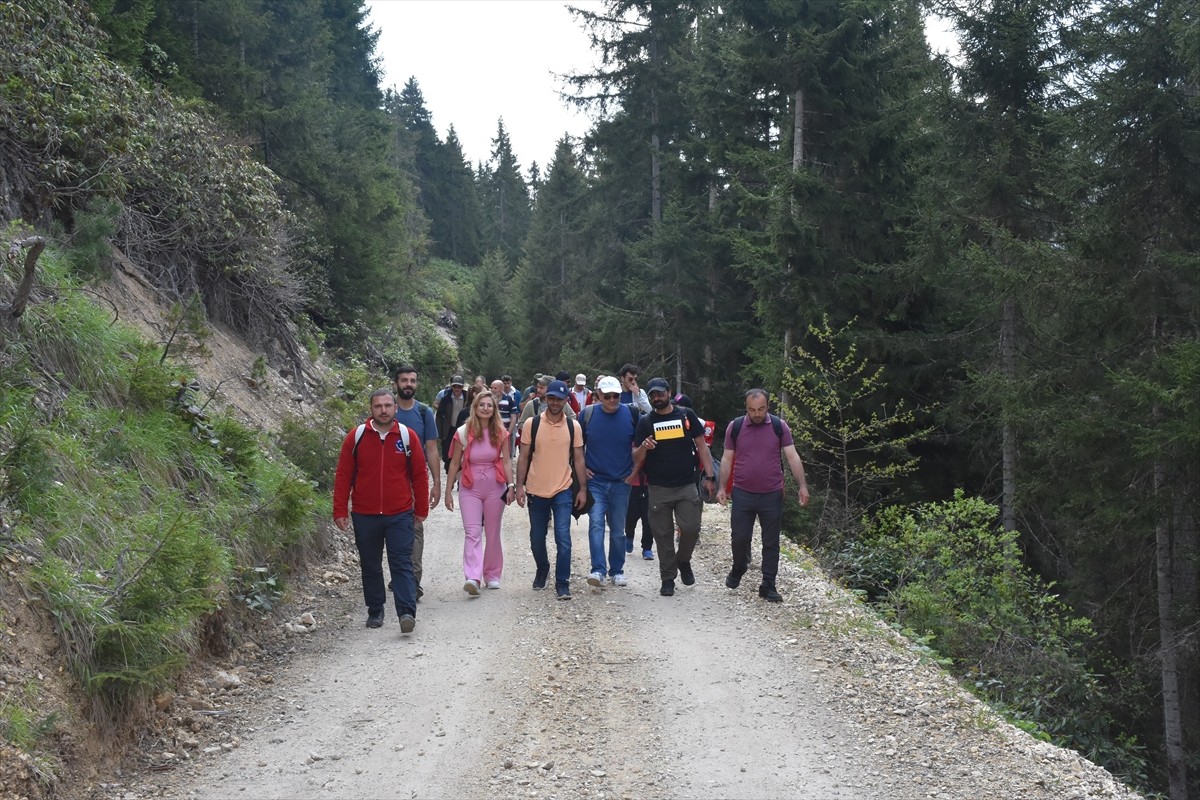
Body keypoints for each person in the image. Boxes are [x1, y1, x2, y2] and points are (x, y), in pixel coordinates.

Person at [332, 389, 430, 633]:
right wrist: (340, 510)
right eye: (378, 406)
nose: (383, 410)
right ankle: (375, 609)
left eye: (388, 405)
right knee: (371, 564)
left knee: (401, 563)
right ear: (371, 409)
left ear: (395, 408)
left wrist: (422, 508)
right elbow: (344, 476)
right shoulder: (357, 437)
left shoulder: (407, 437)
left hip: (400, 513)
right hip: (365, 514)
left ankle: (406, 612)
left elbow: (419, 474)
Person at [716, 388, 810, 602]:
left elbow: (793, 457)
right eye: (752, 410)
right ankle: (739, 566)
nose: (757, 414)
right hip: (742, 493)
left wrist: (802, 485)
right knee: (739, 537)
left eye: (761, 409)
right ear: (746, 408)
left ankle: (768, 584)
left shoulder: (779, 427)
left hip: (771, 493)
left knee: (771, 541)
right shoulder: (736, 427)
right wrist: (722, 487)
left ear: (768, 407)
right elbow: (727, 459)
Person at [632, 378, 716, 597]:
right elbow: (635, 457)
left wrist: (710, 476)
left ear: (669, 393)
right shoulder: (645, 422)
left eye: (660, 393)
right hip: (658, 487)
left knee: (691, 528)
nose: (656, 398)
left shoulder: (685, 416)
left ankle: (683, 560)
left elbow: (702, 446)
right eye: (652, 395)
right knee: (663, 535)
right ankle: (667, 578)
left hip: (686, 485)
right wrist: (644, 446)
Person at [514, 380, 587, 600]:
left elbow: (579, 459)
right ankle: (542, 569)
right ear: (545, 399)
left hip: (563, 490)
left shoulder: (573, 427)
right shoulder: (532, 424)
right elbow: (524, 457)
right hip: (536, 489)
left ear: (566, 400)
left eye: (559, 399)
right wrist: (519, 486)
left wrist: (582, 488)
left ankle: (562, 582)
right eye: (551, 398)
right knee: (537, 537)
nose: (555, 403)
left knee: (563, 538)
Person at [445, 391, 515, 595]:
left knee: (493, 532)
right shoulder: (463, 432)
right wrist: (448, 491)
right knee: (472, 532)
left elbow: (506, 460)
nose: (486, 408)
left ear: (494, 410)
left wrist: (511, 486)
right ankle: (473, 577)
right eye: (481, 405)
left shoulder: (500, 432)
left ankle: (492, 574)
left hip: (496, 487)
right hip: (470, 487)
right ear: (475, 408)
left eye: (490, 405)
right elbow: (455, 463)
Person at [580, 376, 639, 587]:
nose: (613, 400)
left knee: (617, 529)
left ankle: (617, 570)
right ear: (598, 396)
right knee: (595, 524)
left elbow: (641, 448)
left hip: (621, 481)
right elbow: (576, 447)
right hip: (595, 480)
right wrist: (581, 469)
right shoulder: (587, 415)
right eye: (608, 396)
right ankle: (598, 569)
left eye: (616, 395)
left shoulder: (632, 415)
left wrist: (635, 473)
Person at [393, 365, 441, 601]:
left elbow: (432, 449)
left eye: (412, 380)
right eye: (404, 380)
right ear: (396, 384)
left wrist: (437, 483)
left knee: (415, 527)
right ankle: (400, 575)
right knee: (391, 528)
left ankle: (413, 580)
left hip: (415, 480)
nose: (408, 384)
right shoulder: (385, 410)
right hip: (388, 480)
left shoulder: (423, 412)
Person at [619, 365, 653, 559]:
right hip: (624, 444)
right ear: (622, 377)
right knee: (631, 505)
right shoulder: (614, 393)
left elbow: (649, 411)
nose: (632, 381)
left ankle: (647, 545)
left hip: (641, 440)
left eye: (635, 378)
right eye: (630, 378)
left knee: (649, 506)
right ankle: (628, 535)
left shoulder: (639, 394)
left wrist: (638, 393)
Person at [435, 375, 467, 471]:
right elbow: (439, 415)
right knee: (446, 452)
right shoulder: (446, 398)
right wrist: (440, 433)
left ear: (463, 387)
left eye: (459, 386)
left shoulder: (467, 397)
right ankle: (449, 471)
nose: (457, 389)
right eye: (455, 386)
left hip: (463, 429)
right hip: (449, 429)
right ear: (451, 386)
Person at [501, 374, 522, 458]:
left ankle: (510, 457)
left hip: (513, 421)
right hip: (502, 420)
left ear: (511, 383)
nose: (506, 385)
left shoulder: (516, 393)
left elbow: (518, 407)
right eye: (505, 383)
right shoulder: (500, 392)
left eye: (508, 383)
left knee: (512, 440)